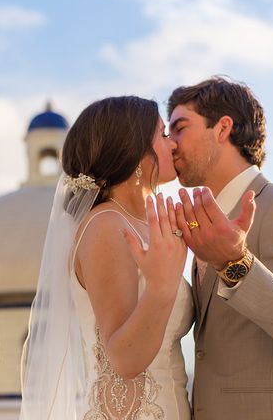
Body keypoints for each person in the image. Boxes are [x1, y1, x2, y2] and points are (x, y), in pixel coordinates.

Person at [167, 76, 273, 419]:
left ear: (223, 128)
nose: (170, 144)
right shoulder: (204, 226)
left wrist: (235, 263)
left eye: (180, 128)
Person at [20, 96, 194, 419]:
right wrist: (161, 285)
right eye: (162, 134)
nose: (173, 145)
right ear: (135, 150)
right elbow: (124, 360)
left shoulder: (143, 225)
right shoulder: (106, 226)